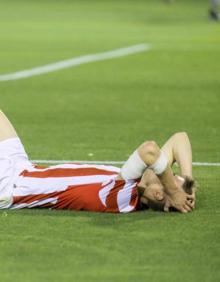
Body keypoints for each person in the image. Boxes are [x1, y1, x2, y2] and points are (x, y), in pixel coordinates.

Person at [0, 110, 195, 213]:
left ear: (158, 194)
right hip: (23, 167)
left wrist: (174, 191)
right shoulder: (138, 181)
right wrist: (186, 178)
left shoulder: (123, 197)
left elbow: (150, 151)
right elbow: (180, 138)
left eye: (168, 177)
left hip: (9, 185)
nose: (165, 171)